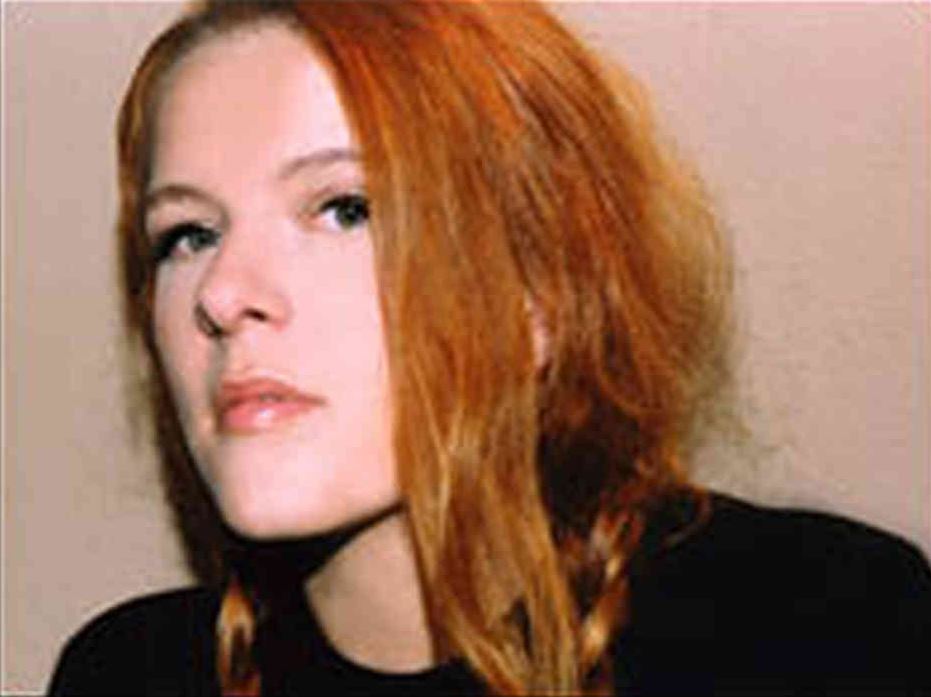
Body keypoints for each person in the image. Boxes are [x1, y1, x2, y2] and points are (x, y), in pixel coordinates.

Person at [48, 1, 930, 695]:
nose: (220, 292)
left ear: (539, 290)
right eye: (187, 235)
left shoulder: (822, 625)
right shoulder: (129, 674)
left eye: (345, 208)